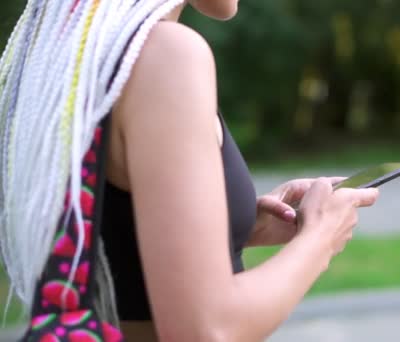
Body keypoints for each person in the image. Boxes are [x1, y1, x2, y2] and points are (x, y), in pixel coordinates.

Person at [0, 1, 379, 341]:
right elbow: (207, 330)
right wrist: (320, 237)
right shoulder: (167, 55)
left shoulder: (72, 54)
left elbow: (111, 237)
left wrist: (233, 229)